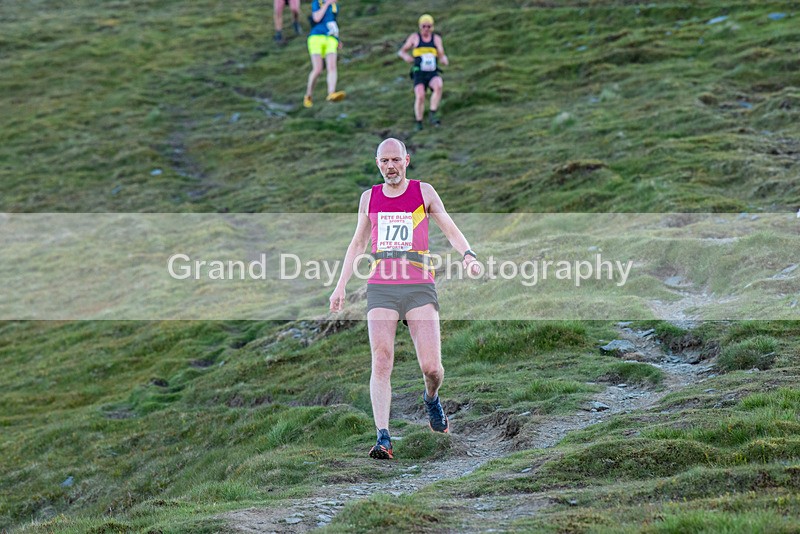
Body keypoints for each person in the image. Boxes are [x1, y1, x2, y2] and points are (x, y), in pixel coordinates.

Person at [329, 138, 479, 459]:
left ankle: (431, 399)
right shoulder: (369, 198)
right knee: (381, 360)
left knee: (432, 368)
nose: (390, 167)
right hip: (381, 286)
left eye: (396, 160)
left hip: (418, 285)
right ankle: (383, 437)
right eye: (384, 161)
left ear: (407, 160)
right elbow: (357, 244)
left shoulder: (423, 192)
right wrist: (340, 285)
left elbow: (450, 228)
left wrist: (467, 253)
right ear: (377, 164)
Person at [398, 14, 449, 131]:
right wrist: (406, 57)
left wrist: (444, 59)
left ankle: (432, 113)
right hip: (419, 72)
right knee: (420, 96)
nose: (426, 29)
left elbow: (441, 54)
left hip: (432, 71)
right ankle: (419, 122)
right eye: (424, 26)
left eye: (429, 26)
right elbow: (402, 51)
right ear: (420, 27)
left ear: (432, 27)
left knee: (438, 85)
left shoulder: (436, 39)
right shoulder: (414, 38)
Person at [303, 0, 346, 108]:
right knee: (317, 69)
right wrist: (327, 4)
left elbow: (332, 23)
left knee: (332, 66)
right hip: (316, 37)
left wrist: (337, 39)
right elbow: (316, 18)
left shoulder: (335, 6)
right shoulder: (317, 2)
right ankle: (308, 95)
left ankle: (331, 93)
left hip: (330, 38)